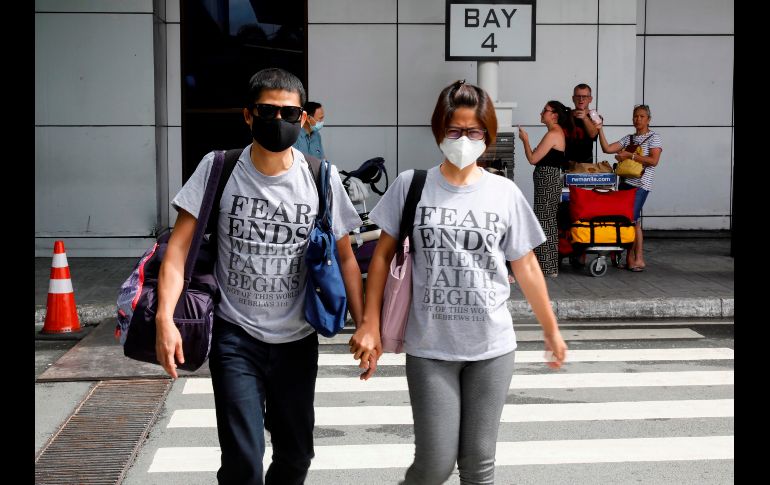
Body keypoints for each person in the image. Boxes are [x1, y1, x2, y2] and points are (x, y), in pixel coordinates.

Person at [349, 80, 567, 485]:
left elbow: (528, 267)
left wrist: (551, 330)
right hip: (431, 347)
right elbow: (381, 257)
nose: (463, 140)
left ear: (487, 134)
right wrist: (369, 323)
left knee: (478, 465)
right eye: (454, 130)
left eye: (474, 131)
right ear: (438, 131)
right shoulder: (412, 185)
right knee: (434, 464)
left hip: (492, 348)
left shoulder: (504, 193)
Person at [155, 68, 364, 485]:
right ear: (248, 115)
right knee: (243, 463)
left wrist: (368, 325)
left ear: (303, 119)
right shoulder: (219, 168)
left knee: (297, 455)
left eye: (290, 113)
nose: (280, 120)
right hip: (235, 338)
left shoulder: (321, 177)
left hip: (296, 341)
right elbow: (178, 248)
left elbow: (346, 258)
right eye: (269, 111)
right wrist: (165, 317)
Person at [597, 104, 663, 272]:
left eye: (641, 116)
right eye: (635, 116)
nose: (638, 119)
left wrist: (630, 155)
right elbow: (607, 148)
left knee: (630, 220)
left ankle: (630, 257)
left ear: (648, 119)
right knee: (635, 222)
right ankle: (639, 258)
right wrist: (600, 130)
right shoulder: (629, 139)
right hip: (625, 183)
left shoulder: (654, 137)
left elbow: (654, 161)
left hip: (641, 185)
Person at [518, 101, 572, 277]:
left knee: (544, 221)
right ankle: (548, 266)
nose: (542, 113)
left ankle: (547, 267)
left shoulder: (553, 133)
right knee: (547, 220)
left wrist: (525, 141)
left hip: (547, 179)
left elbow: (533, 158)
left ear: (554, 115)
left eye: (545, 110)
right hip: (549, 178)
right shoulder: (556, 133)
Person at [565, 83, 600, 167]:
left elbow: (593, 135)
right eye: (578, 96)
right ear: (573, 98)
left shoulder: (594, 116)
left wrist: (585, 118)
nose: (581, 99)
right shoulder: (565, 115)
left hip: (586, 165)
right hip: (566, 163)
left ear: (590, 99)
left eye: (584, 97)